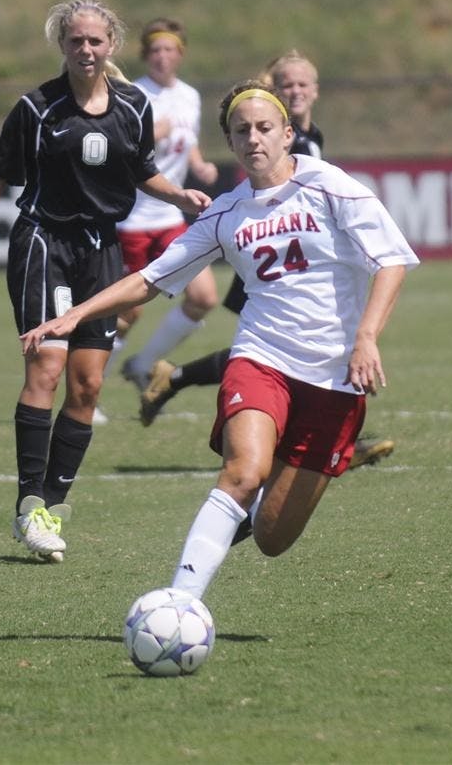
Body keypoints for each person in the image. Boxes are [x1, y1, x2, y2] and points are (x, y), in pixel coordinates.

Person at [20, 79, 419, 599]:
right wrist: (76, 315)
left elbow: (391, 260)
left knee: (272, 537)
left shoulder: (329, 185)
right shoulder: (226, 212)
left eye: (264, 127)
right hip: (261, 358)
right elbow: (151, 279)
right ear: (229, 142)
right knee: (243, 472)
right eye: (241, 130)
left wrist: (366, 337)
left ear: (287, 134)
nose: (253, 138)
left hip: (335, 377)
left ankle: (247, 519)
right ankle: (179, 602)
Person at [0, 0, 211, 563]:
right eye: (76, 41)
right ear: (62, 45)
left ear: (111, 44)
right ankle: (28, 506)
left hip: (102, 249)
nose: (86, 50)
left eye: (95, 41)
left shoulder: (133, 105)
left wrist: (180, 196)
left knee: (89, 384)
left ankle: (51, 506)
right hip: (45, 242)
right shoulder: (37, 107)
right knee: (47, 366)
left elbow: (142, 171)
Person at [139, 51, 394, 470]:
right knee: (268, 349)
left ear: (315, 90)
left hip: (290, 250)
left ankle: (178, 378)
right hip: (272, 254)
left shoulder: (310, 136)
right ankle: (319, 438)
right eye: (286, 84)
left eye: (302, 84)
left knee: (270, 348)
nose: (295, 90)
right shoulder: (287, 140)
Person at [96, 18, 219, 422]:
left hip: (170, 217)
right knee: (127, 313)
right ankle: (88, 396)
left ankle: (142, 364)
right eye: (154, 50)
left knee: (203, 297)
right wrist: (151, 133)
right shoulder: (132, 95)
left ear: (180, 54)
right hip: (132, 220)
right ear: (145, 56)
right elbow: (115, 150)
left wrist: (199, 165)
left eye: (169, 50)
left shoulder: (190, 96)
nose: (161, 57)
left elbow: (188, 140)